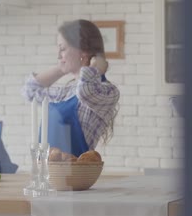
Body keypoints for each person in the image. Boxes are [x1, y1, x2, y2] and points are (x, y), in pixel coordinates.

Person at [22, 19, 120, 157]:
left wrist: (94, 68)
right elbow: (30, 91)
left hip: (75, 175)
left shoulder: (107, 91)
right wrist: (62, 67)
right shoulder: (66, 92)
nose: (58, 55)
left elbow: (85, 92)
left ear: (83, 51)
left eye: (62, 49)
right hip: (48, 173)